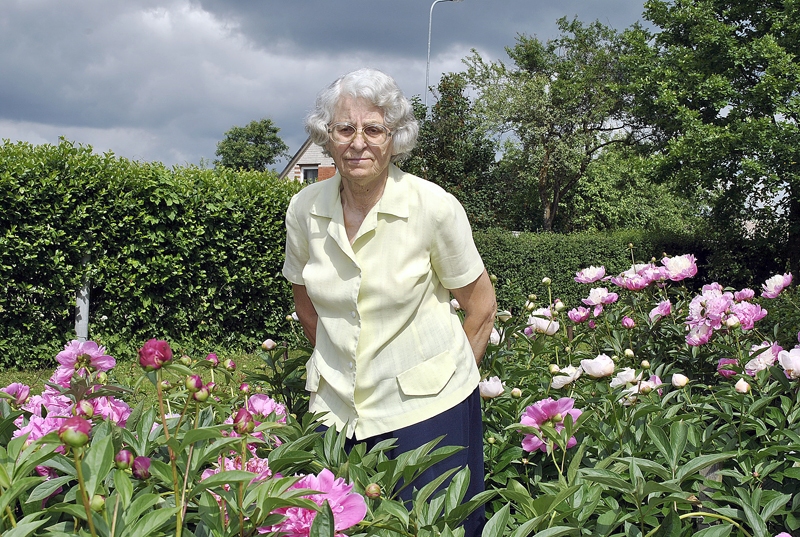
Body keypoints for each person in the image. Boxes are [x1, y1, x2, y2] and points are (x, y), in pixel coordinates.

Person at [282, 68, 496, 536]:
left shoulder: (434, 207)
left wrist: (447, 380)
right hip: (335, 410)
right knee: (335, 526)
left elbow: (481, 306)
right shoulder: (303, 210)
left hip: (429, 412)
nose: (358, 142)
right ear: (327, 136)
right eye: (344, 129)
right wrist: (340, 362)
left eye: (373, 129)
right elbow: (305, 301)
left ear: (394, 138)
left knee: (438, 528)